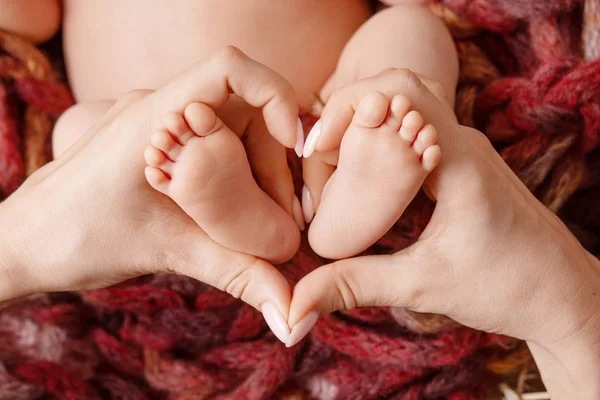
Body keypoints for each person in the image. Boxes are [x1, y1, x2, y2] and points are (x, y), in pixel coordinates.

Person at [0, 50, 598, 399]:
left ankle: (338, 193)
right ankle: (264, 209)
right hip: (147, 138)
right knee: (77, 126)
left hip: (328, 109)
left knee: (406, 39)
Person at [1, 0, 457, 261]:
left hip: (333, 108)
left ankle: (357, 183)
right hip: (154, 128)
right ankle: (234, 203)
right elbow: (32, 17)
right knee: (75, 134)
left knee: (410, 28)